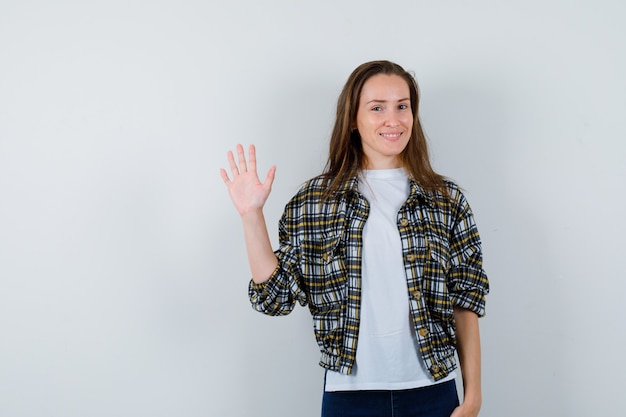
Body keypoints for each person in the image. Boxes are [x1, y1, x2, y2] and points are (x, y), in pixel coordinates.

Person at [220, 60, 489, 417]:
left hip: (433, 392)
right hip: (350, 397)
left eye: (402, 106)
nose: (393, 120)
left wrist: (472, 400)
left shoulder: (446, 199)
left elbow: (465, 302)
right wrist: (251, 216)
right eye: (377, 107)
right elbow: (275, 297)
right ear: (352, 118)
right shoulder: (316, 201)